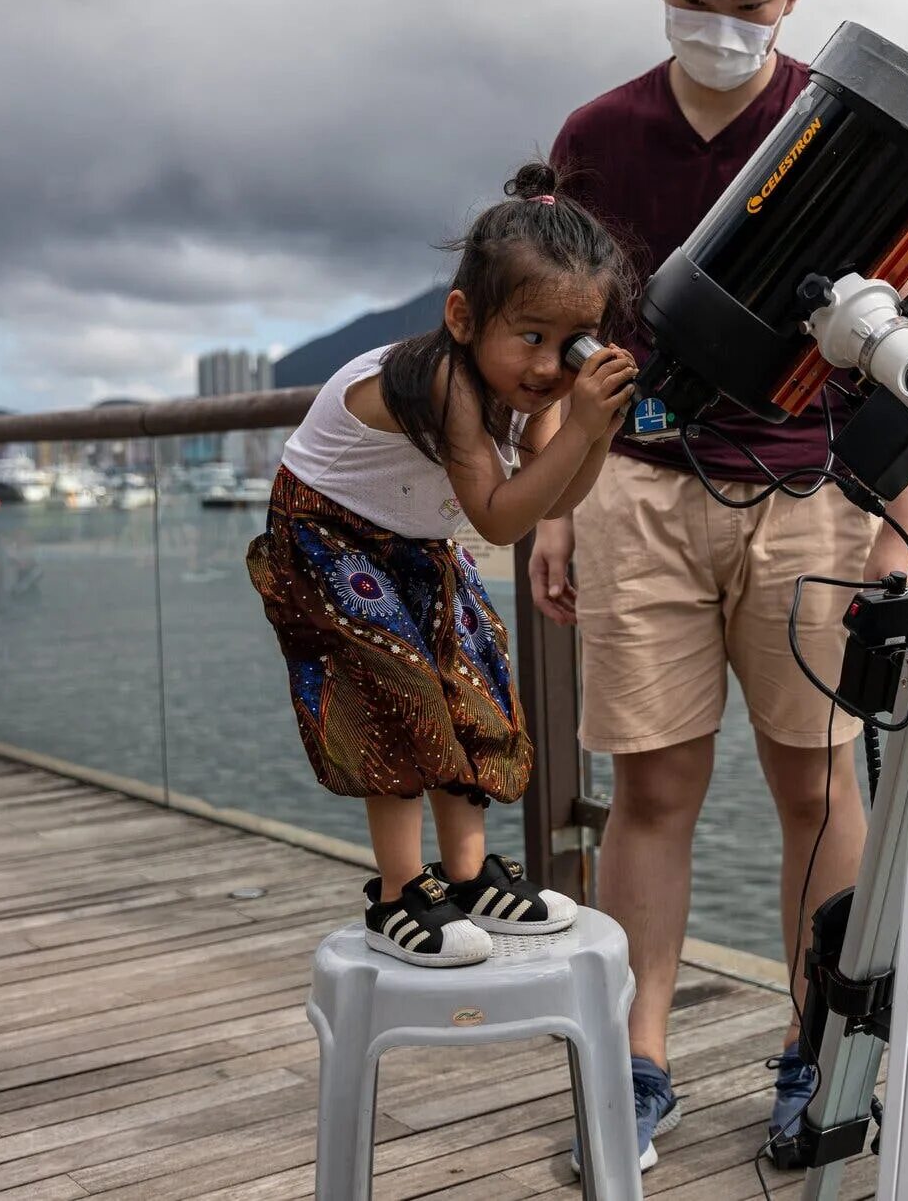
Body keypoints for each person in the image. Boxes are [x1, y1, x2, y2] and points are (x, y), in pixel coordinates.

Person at [538, 0, 908, 1169]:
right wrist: (550, 503)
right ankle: (634, 1064)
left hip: (805, 497)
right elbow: (566, 336)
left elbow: (904, 336)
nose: (723, 25)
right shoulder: (596, 138)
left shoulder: (836, 133)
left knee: (817, 783)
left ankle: (818, 1056)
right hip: (636, 488)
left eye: (753, 2)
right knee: (652, 786)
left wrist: (907, 524)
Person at [247, 162, 639, 970]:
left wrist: (593, 428)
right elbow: (500, 514)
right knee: (398, 692)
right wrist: (579, 425)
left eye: (570, 345)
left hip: (414, 541)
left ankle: (467, 878)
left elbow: (557, 497)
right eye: (528, 337)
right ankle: (399, 892)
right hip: (327, 536)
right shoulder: (444, 379)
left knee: (473, 684)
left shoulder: (539, 393)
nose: (547, 366)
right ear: (463, 316)